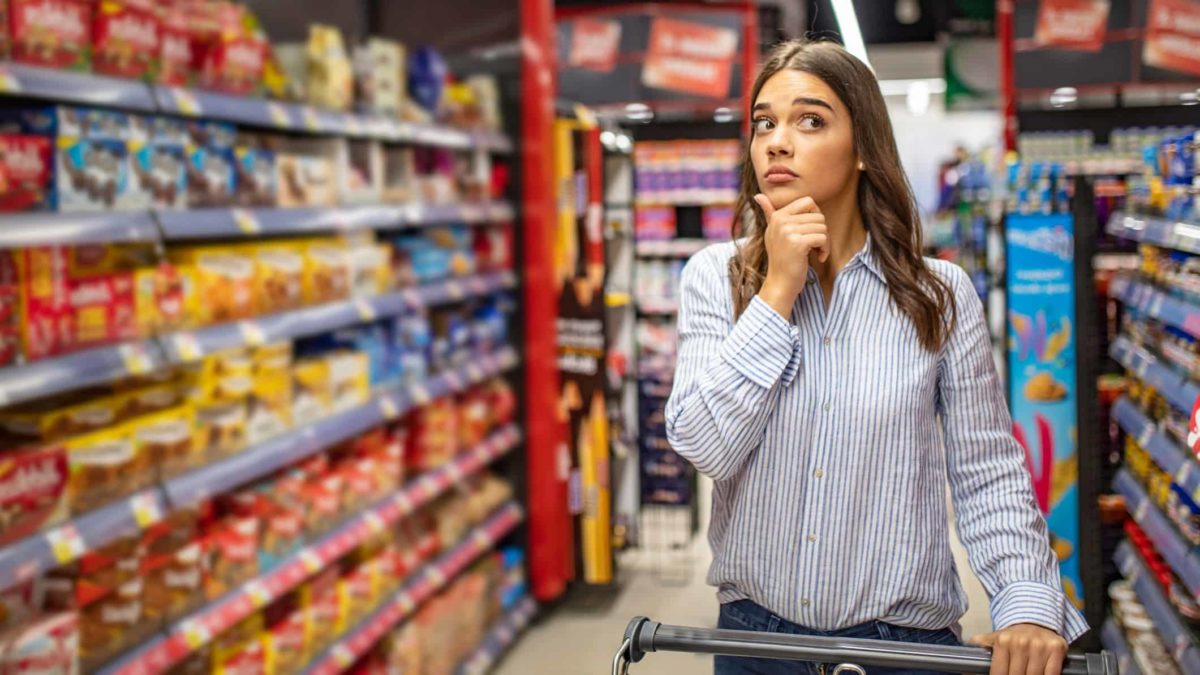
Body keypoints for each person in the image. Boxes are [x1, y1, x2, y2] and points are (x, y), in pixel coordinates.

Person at [664, 39, 1088, 675]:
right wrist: (777, 290)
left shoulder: (938, 294)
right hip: (759, 646)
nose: (778, 141)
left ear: (862, 147)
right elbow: (704, 446)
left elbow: (987, 471)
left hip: (903, 650)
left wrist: (1026, 604)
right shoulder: (714, 278)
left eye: (810, 120)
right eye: (764, 123)